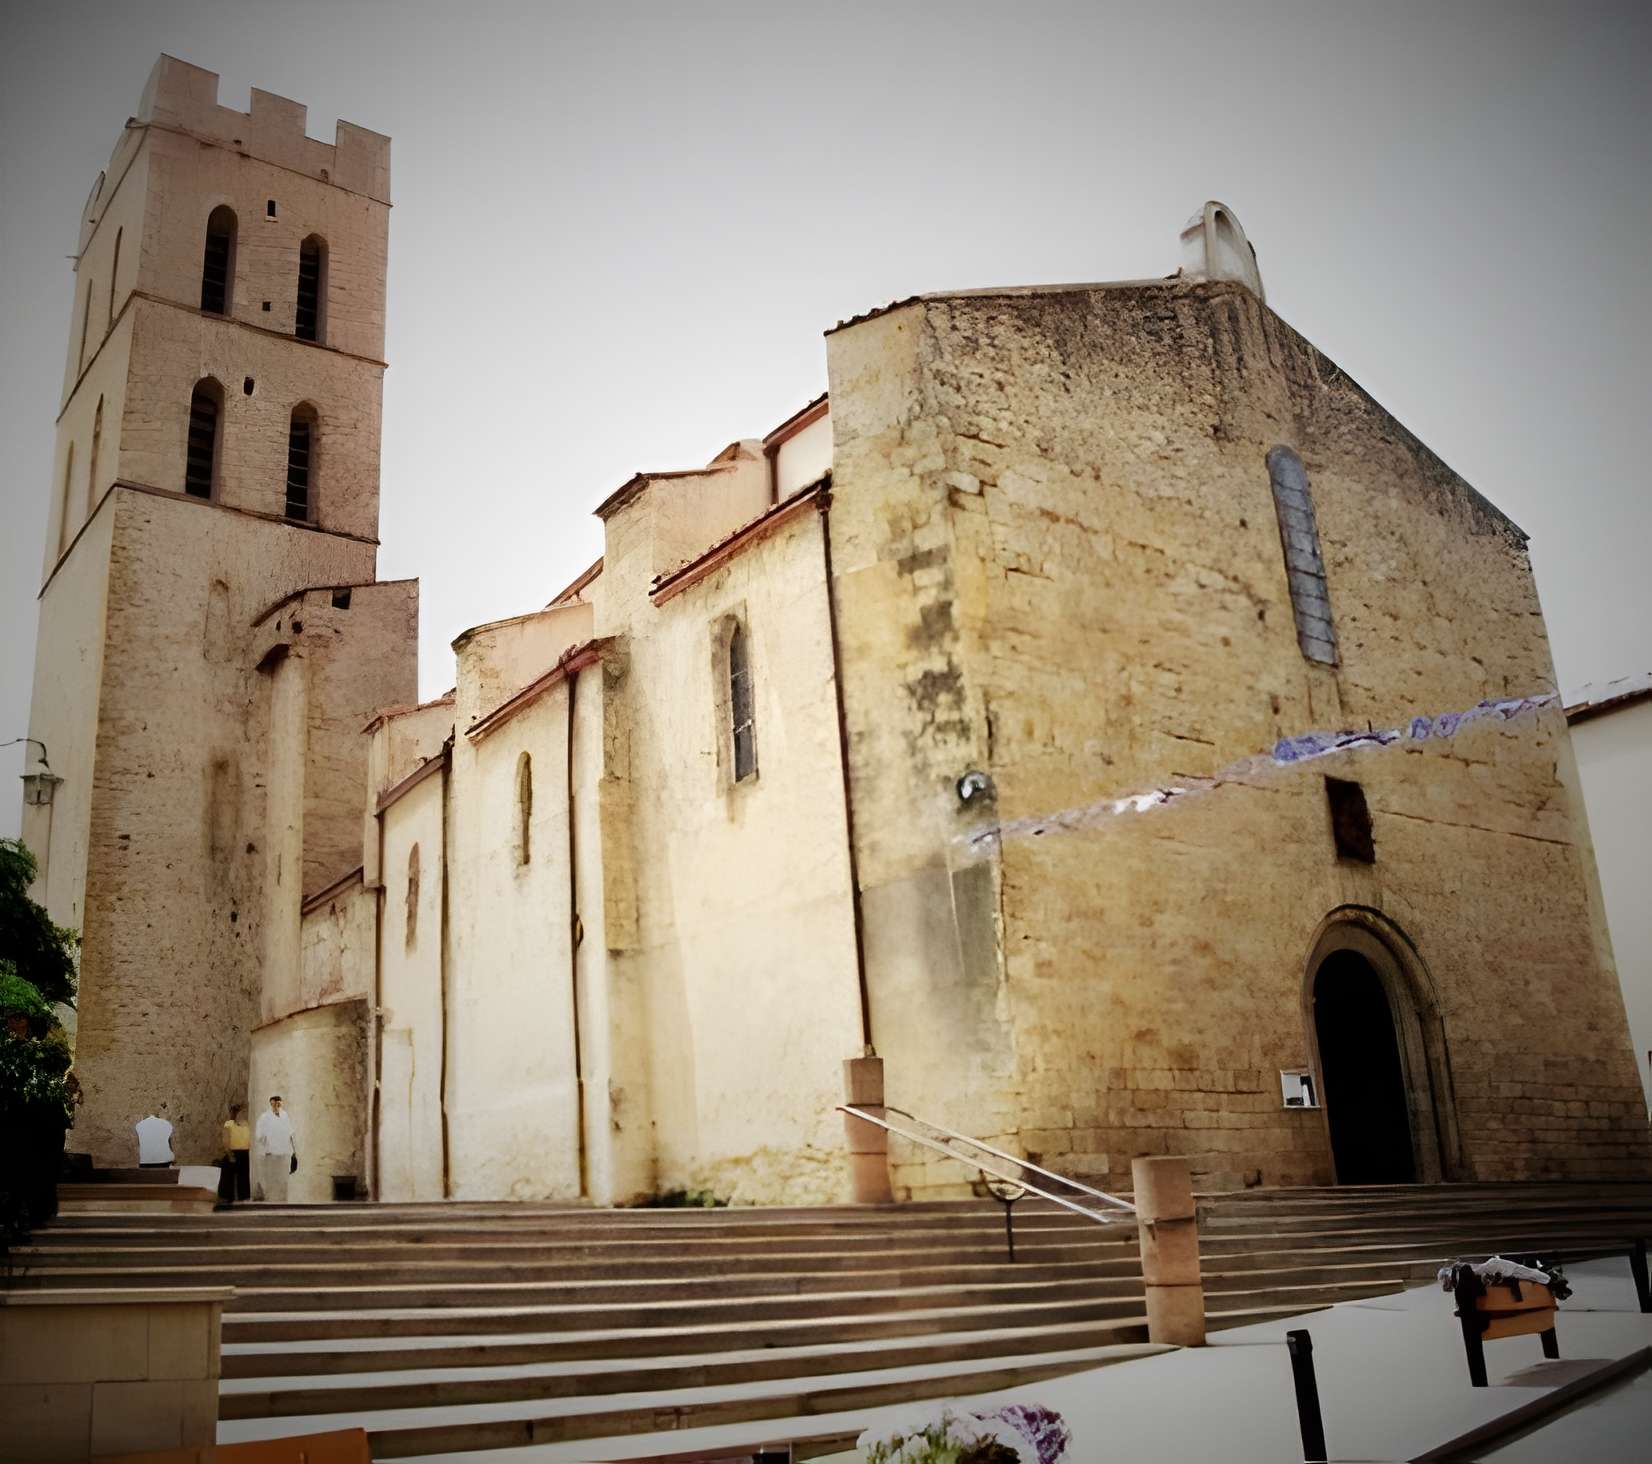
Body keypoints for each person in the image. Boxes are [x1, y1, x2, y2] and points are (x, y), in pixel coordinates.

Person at [253, 1095, 297, 1202]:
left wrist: (294, 1151)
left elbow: (290, 1133)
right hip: (271, 1152)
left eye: (278, 1104)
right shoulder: (264, 1117)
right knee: (271, 1178)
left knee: (283, 1178)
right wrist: (267, 1139)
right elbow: (259, 1134)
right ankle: (270, 1200)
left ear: (280, 1104)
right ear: (270, 1104)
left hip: (284, 1152)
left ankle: (283, 1200)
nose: (276, 1106)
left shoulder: (285, 1116)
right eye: (273, 1104)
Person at [221, 1102, 252, 1203]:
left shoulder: (248, 1125)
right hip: (234, 1153)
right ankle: (228, 1198)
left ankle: (243, 1197)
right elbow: (226, 1141)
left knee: (243, 1176)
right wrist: (230, 1154)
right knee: (228, 1174)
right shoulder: (229, 1124)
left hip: (245, 1154)